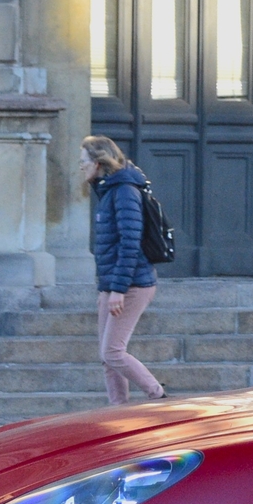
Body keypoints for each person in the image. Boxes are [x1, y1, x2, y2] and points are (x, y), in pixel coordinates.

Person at [81, 135, 167, 406]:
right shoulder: (107, 190)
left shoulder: (124, 191)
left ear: (98, 162)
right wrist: (107, 289)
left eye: (83, 161)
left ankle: (159, 396)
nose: (80, 166)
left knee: (113, 352)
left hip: (133, 284)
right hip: (114, 284)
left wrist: (118, 290)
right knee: (107, 357)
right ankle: (119, 410)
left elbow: (130, 243)